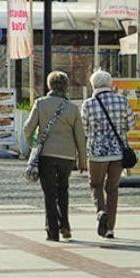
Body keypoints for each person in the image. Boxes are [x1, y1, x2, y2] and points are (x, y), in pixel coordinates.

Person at [23, 69, 87, 241]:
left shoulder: (40, 103)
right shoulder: (73, 108)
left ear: (49, 85)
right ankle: (64, 224)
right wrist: (82, 160)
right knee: (63, 190)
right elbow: (80, 136)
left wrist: (32, 145)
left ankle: (53, 231)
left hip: (46, 155)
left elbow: (27, 128)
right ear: (66, 87)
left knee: (49, 193)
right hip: (67, 157)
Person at [82, 70, 134, 240]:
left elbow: (85, 128)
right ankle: (110, 228)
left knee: (96, 184)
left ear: (93, 85)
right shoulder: (122, 100)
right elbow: (131, 124)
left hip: (96, 152)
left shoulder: (88, 104)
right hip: (118, 151)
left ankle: (100, 212)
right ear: (110, 84)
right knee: (112, 188)